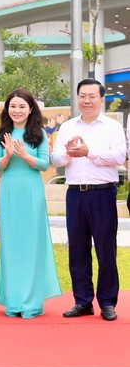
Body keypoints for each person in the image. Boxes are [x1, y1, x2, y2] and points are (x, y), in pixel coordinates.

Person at [50, 78, 126, 322]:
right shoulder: (68, 127)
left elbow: (119, 157)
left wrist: (89, 152)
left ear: (101, 99)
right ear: (78, 98)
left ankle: (107, 302)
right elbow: (55, 158)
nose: (87, 100)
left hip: (103, 193)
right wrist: (69, 153)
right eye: (82, 96)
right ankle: (82, 301)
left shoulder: (111, 127)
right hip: (75, 194)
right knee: (78, 251)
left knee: (106, 250)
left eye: (92, 96)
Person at [0, 89, 62, 318]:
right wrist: (8, 154)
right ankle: (13, 301)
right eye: (13, 106)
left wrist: (24, 155)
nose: (17, 110)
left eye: (22, 106)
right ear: (7, 109)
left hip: (32, 193)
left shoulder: (39, 133)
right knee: (12, 245)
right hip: (10, 192)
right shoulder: (2, 134)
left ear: (31, 109)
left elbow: (44, 165)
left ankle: (32, 302)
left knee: (32, 245)